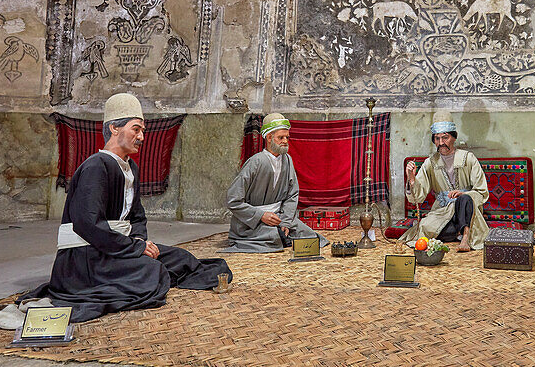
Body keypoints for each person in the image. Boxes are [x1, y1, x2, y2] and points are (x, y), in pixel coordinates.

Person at [21, 93, 230, 322]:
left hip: (117, 247)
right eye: (136, 129)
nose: (141, 137)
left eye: (142, 131)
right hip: (85, 258)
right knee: (152, 270)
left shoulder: (131, 169)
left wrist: (140, 242)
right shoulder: (95, 167)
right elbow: (88, 225)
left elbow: (137, 217)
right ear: (114, 128)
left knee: (182, 259)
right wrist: (134, 249)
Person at [224, 113, 328, 253]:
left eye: (287, 137)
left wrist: (285, 221)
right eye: (281, 137)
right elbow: (233, 200)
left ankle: (279, 232)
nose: (285, 141)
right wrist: (261, 215)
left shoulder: (287, 160)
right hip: (252, 221)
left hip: (278, 217)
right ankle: (273, 235)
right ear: (269, 137)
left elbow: (292, 194)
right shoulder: (256, 162)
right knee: (275, 237)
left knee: (309, 236)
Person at [399, 115, 490, 252]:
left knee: (464, 199)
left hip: (467, 210)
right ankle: (456, 232)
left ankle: (465, 237)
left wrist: (463, 194)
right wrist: (411, 178)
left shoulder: (468, 158)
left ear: (454, 137)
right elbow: (417, 198)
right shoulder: (430, 162)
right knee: (425, 228)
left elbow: (482, 192)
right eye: (437, 138)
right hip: (443, 212)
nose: (441, 142)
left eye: (445, 137)